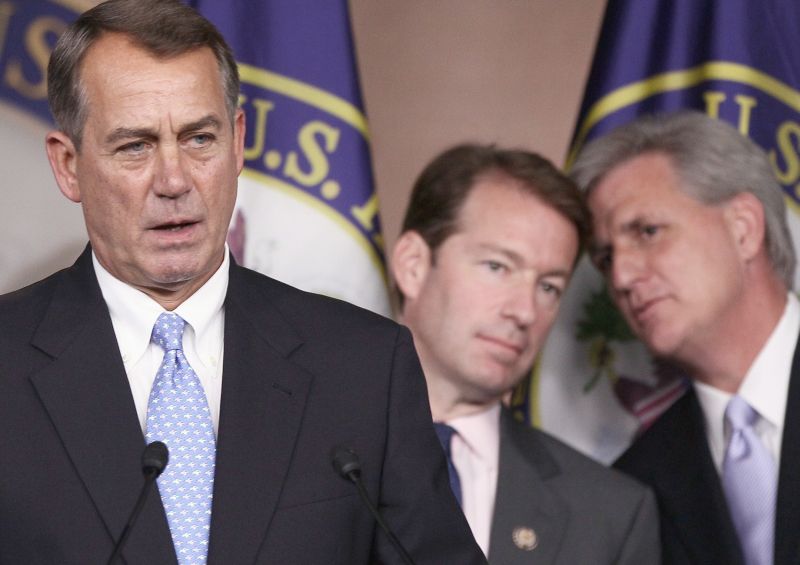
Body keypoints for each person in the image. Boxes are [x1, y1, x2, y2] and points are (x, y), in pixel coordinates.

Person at [0, 1, 487, 563]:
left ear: (238, 141)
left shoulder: (364, 369)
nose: (175, 180)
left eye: (199, 138)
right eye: (135, 146)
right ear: (68, 165)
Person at [390, 143, 660, 564]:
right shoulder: (285, 445)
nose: (524, 311)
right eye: (497, 267)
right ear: (413, 264)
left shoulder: (610, 515)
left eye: (549, 287)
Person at [572, 111, 799, 565]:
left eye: (647, 231)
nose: (621, 276)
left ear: (743, 228)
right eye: (604, 256)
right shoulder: (635, 488)